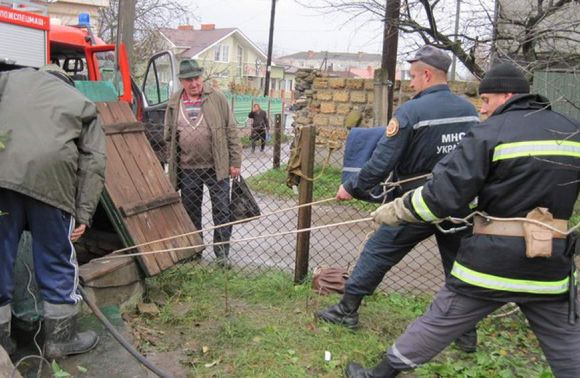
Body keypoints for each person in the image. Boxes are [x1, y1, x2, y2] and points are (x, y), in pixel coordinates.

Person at [347, 63, 580, 378]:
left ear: (506, 95)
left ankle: (379, 375)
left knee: (438, 322)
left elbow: (441, 197)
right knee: (568, 344)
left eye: (485, 101)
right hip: (549, 264)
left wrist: (398, 210)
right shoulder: (572, 130)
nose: (482, 109)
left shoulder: (490, 133)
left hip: (491, 266)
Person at [315, 45, 481, 352]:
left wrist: (351, 187)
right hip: (459, 202)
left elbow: (381, 162)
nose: (411, 81)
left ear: (428, 74)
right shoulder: (469, 111)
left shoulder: (411, 112)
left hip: (418, 202)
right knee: (460, 267)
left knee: (378, 250)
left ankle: (346, 310)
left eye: (414, 75)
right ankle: (466, 334)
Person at [0, 67, 105, 359]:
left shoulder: (9, 79)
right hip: (52, 180)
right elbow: (93, 163)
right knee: (56, 257)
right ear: (66, 82)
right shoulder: (79, 101)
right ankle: (61, 340)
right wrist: (83, 215)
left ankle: (1, 346)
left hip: (2, 175)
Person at [164, 59, 242, 268]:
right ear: (181, 81)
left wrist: (235, 161)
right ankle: (195, 250)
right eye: (188, 80)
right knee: (191, 211)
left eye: (196, 78)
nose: (194, 83)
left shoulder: (217, 98)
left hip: (217, 166)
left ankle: (222, 254)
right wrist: (170, 164)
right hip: (188, 168)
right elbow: (169, 136)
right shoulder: (174, 102)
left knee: (222, 211)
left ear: (202, 77)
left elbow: (231, 130)